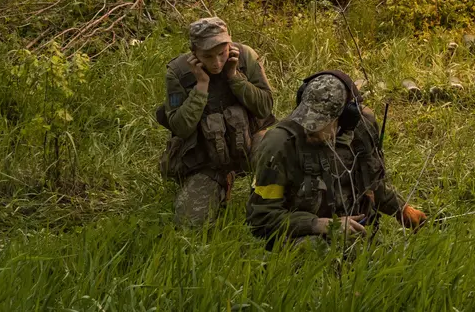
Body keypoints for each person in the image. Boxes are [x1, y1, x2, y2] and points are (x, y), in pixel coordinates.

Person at [246, 71, 426, 247]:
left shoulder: (359, 133)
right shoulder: (279, 144)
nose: (309, 132)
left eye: (318, 125)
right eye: (306, 120)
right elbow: (263, 217)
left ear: (343, 119)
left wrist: (401, 209)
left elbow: (371, 182)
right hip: (303, 234)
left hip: (350, 233)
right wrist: (319, 224)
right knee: (316, 251)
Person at [155, 17, 275, 226]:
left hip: (248, 143)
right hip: (207, 159)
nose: (217, 62)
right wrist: (201, 85)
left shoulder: (245, 57)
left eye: (222, 53)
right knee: (188, 222)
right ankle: (220, 185)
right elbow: (180, 128)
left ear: (230, 44)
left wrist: (235, 77)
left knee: (276, 155)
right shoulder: (178, 73)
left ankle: (267, 205)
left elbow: (265, 107)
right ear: (194, 53)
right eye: (208, 56)